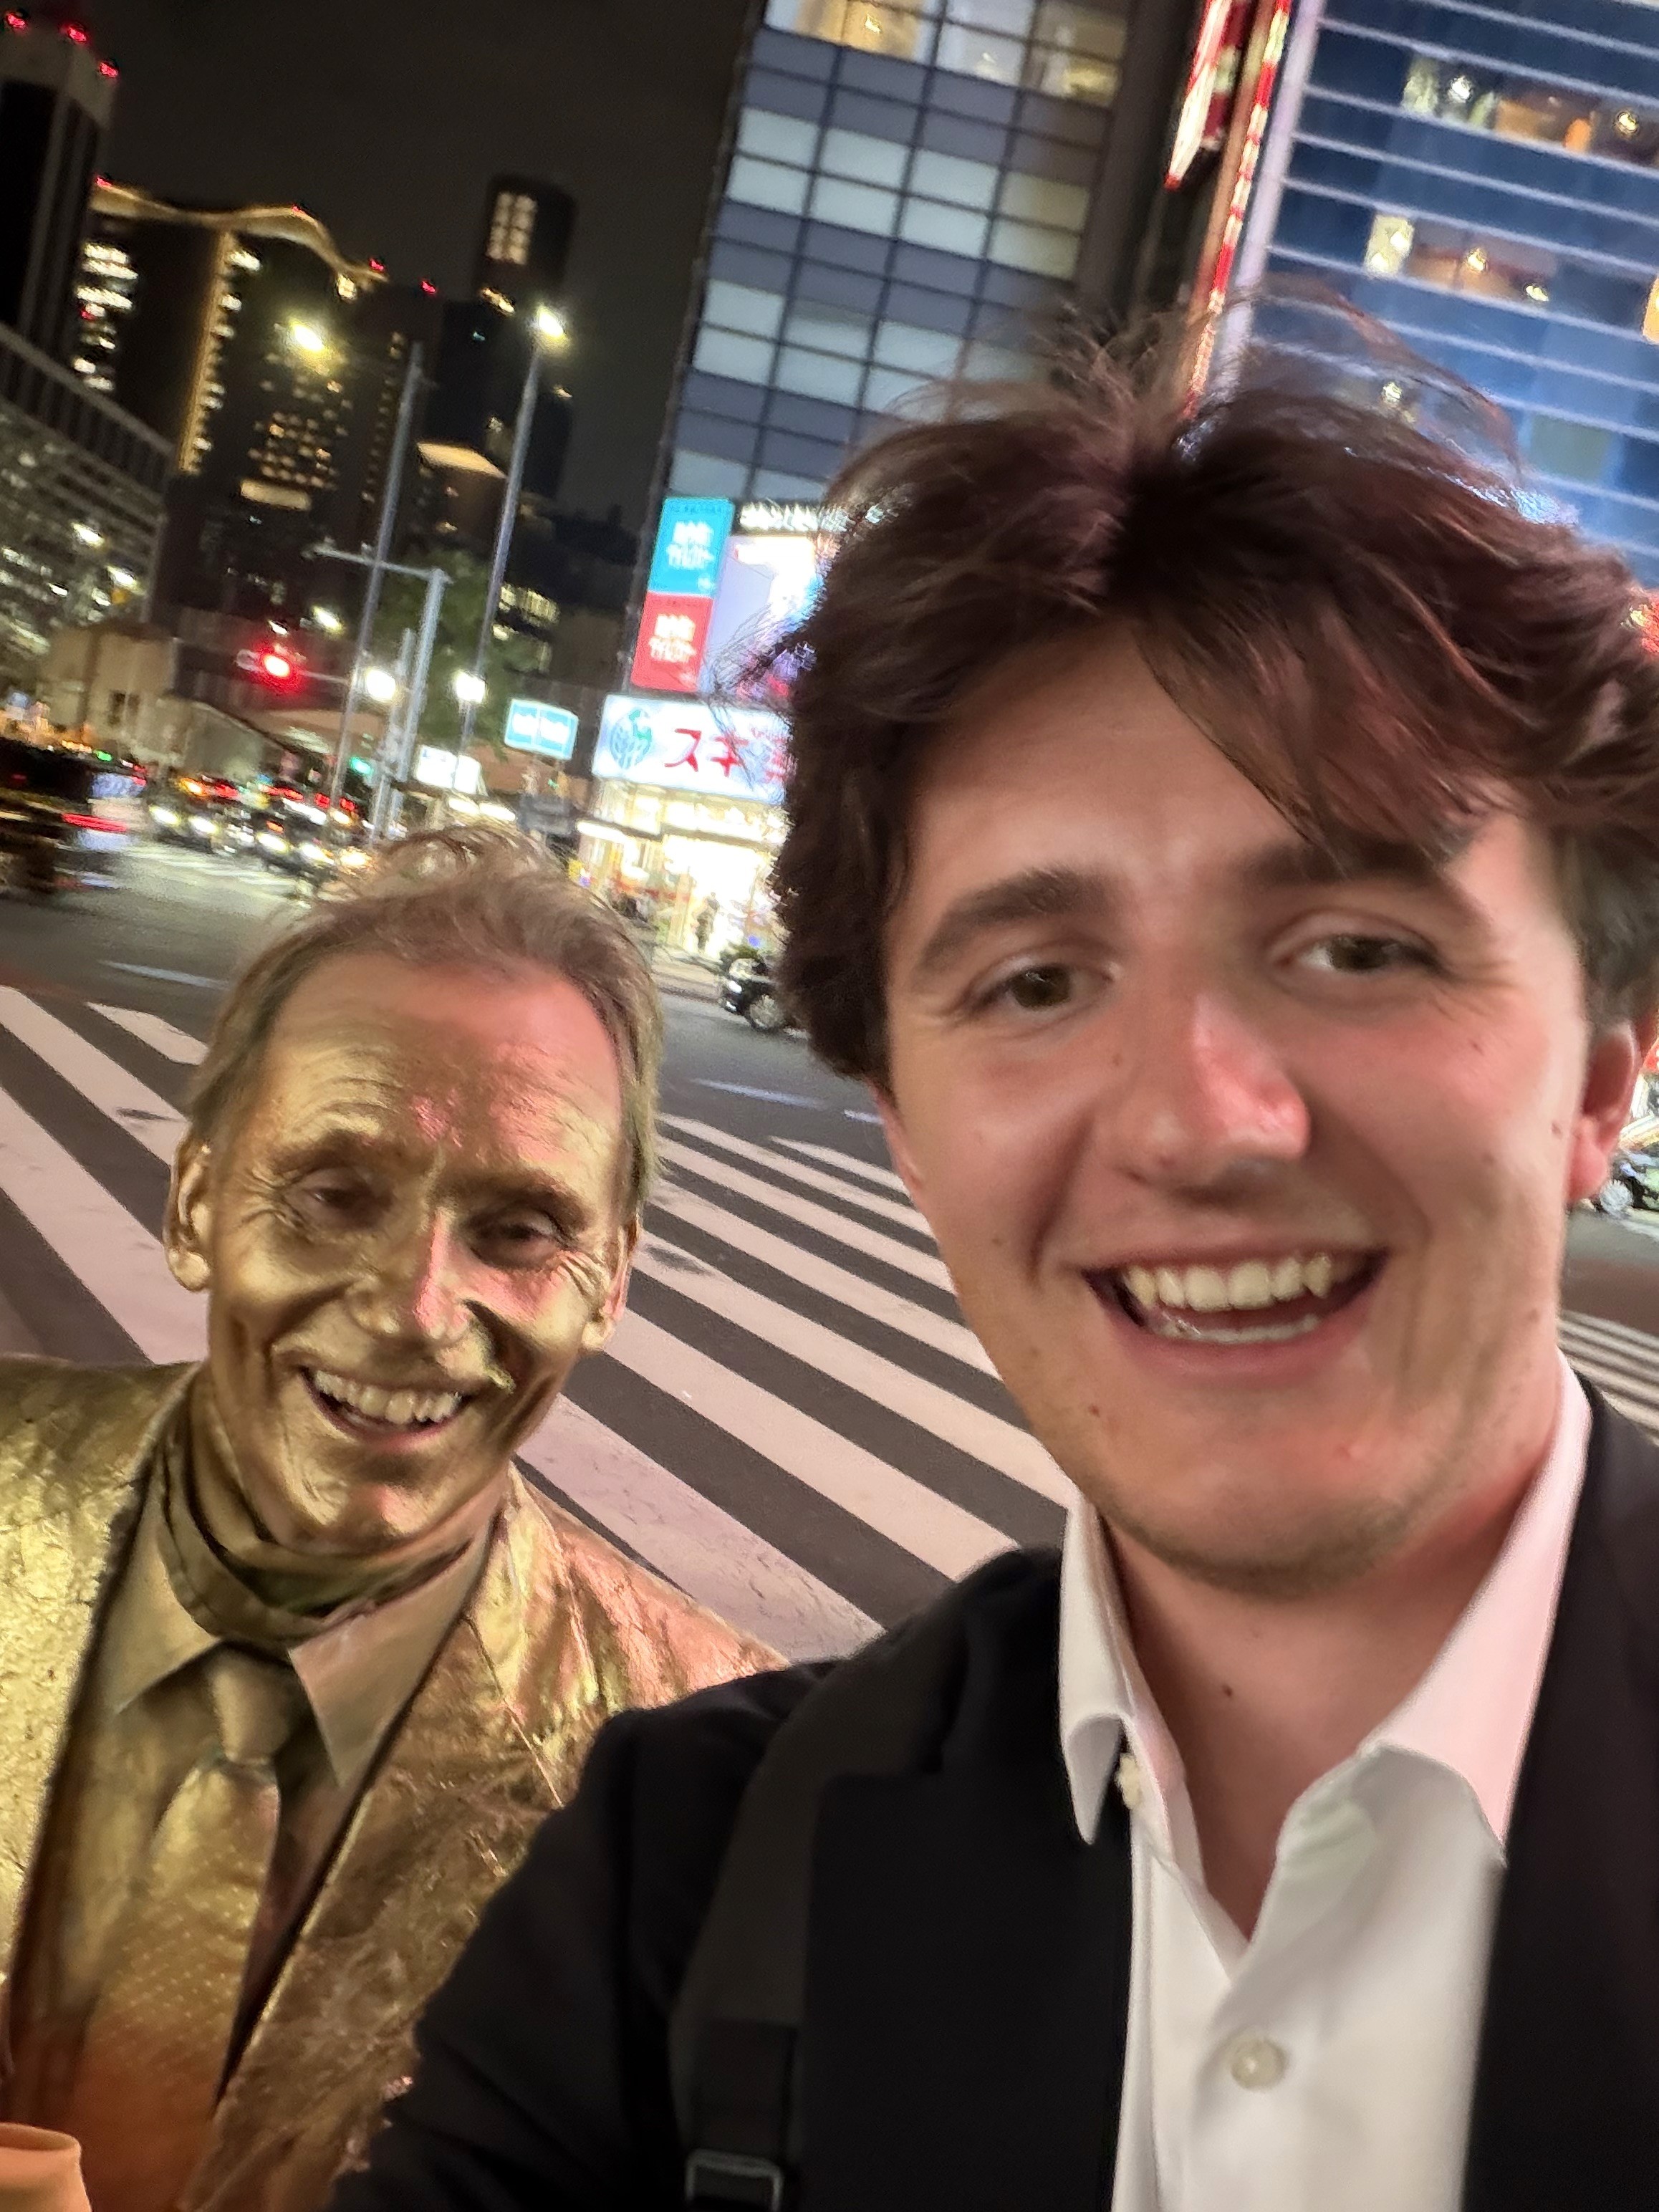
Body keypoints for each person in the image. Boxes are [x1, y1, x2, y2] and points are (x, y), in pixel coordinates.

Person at [332, 338, 1659, 2210]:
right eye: (1035, 982)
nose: (1196, 1123)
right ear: (903, 1122)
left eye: (1359, 948)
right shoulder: (683, 1884)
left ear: (1602, 1069)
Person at [0, 829, 772, 2212]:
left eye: (519, 1231)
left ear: (608, 1281)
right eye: (334, 1195)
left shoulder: (715, 1784)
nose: (415, 1311)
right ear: (195, 1201)